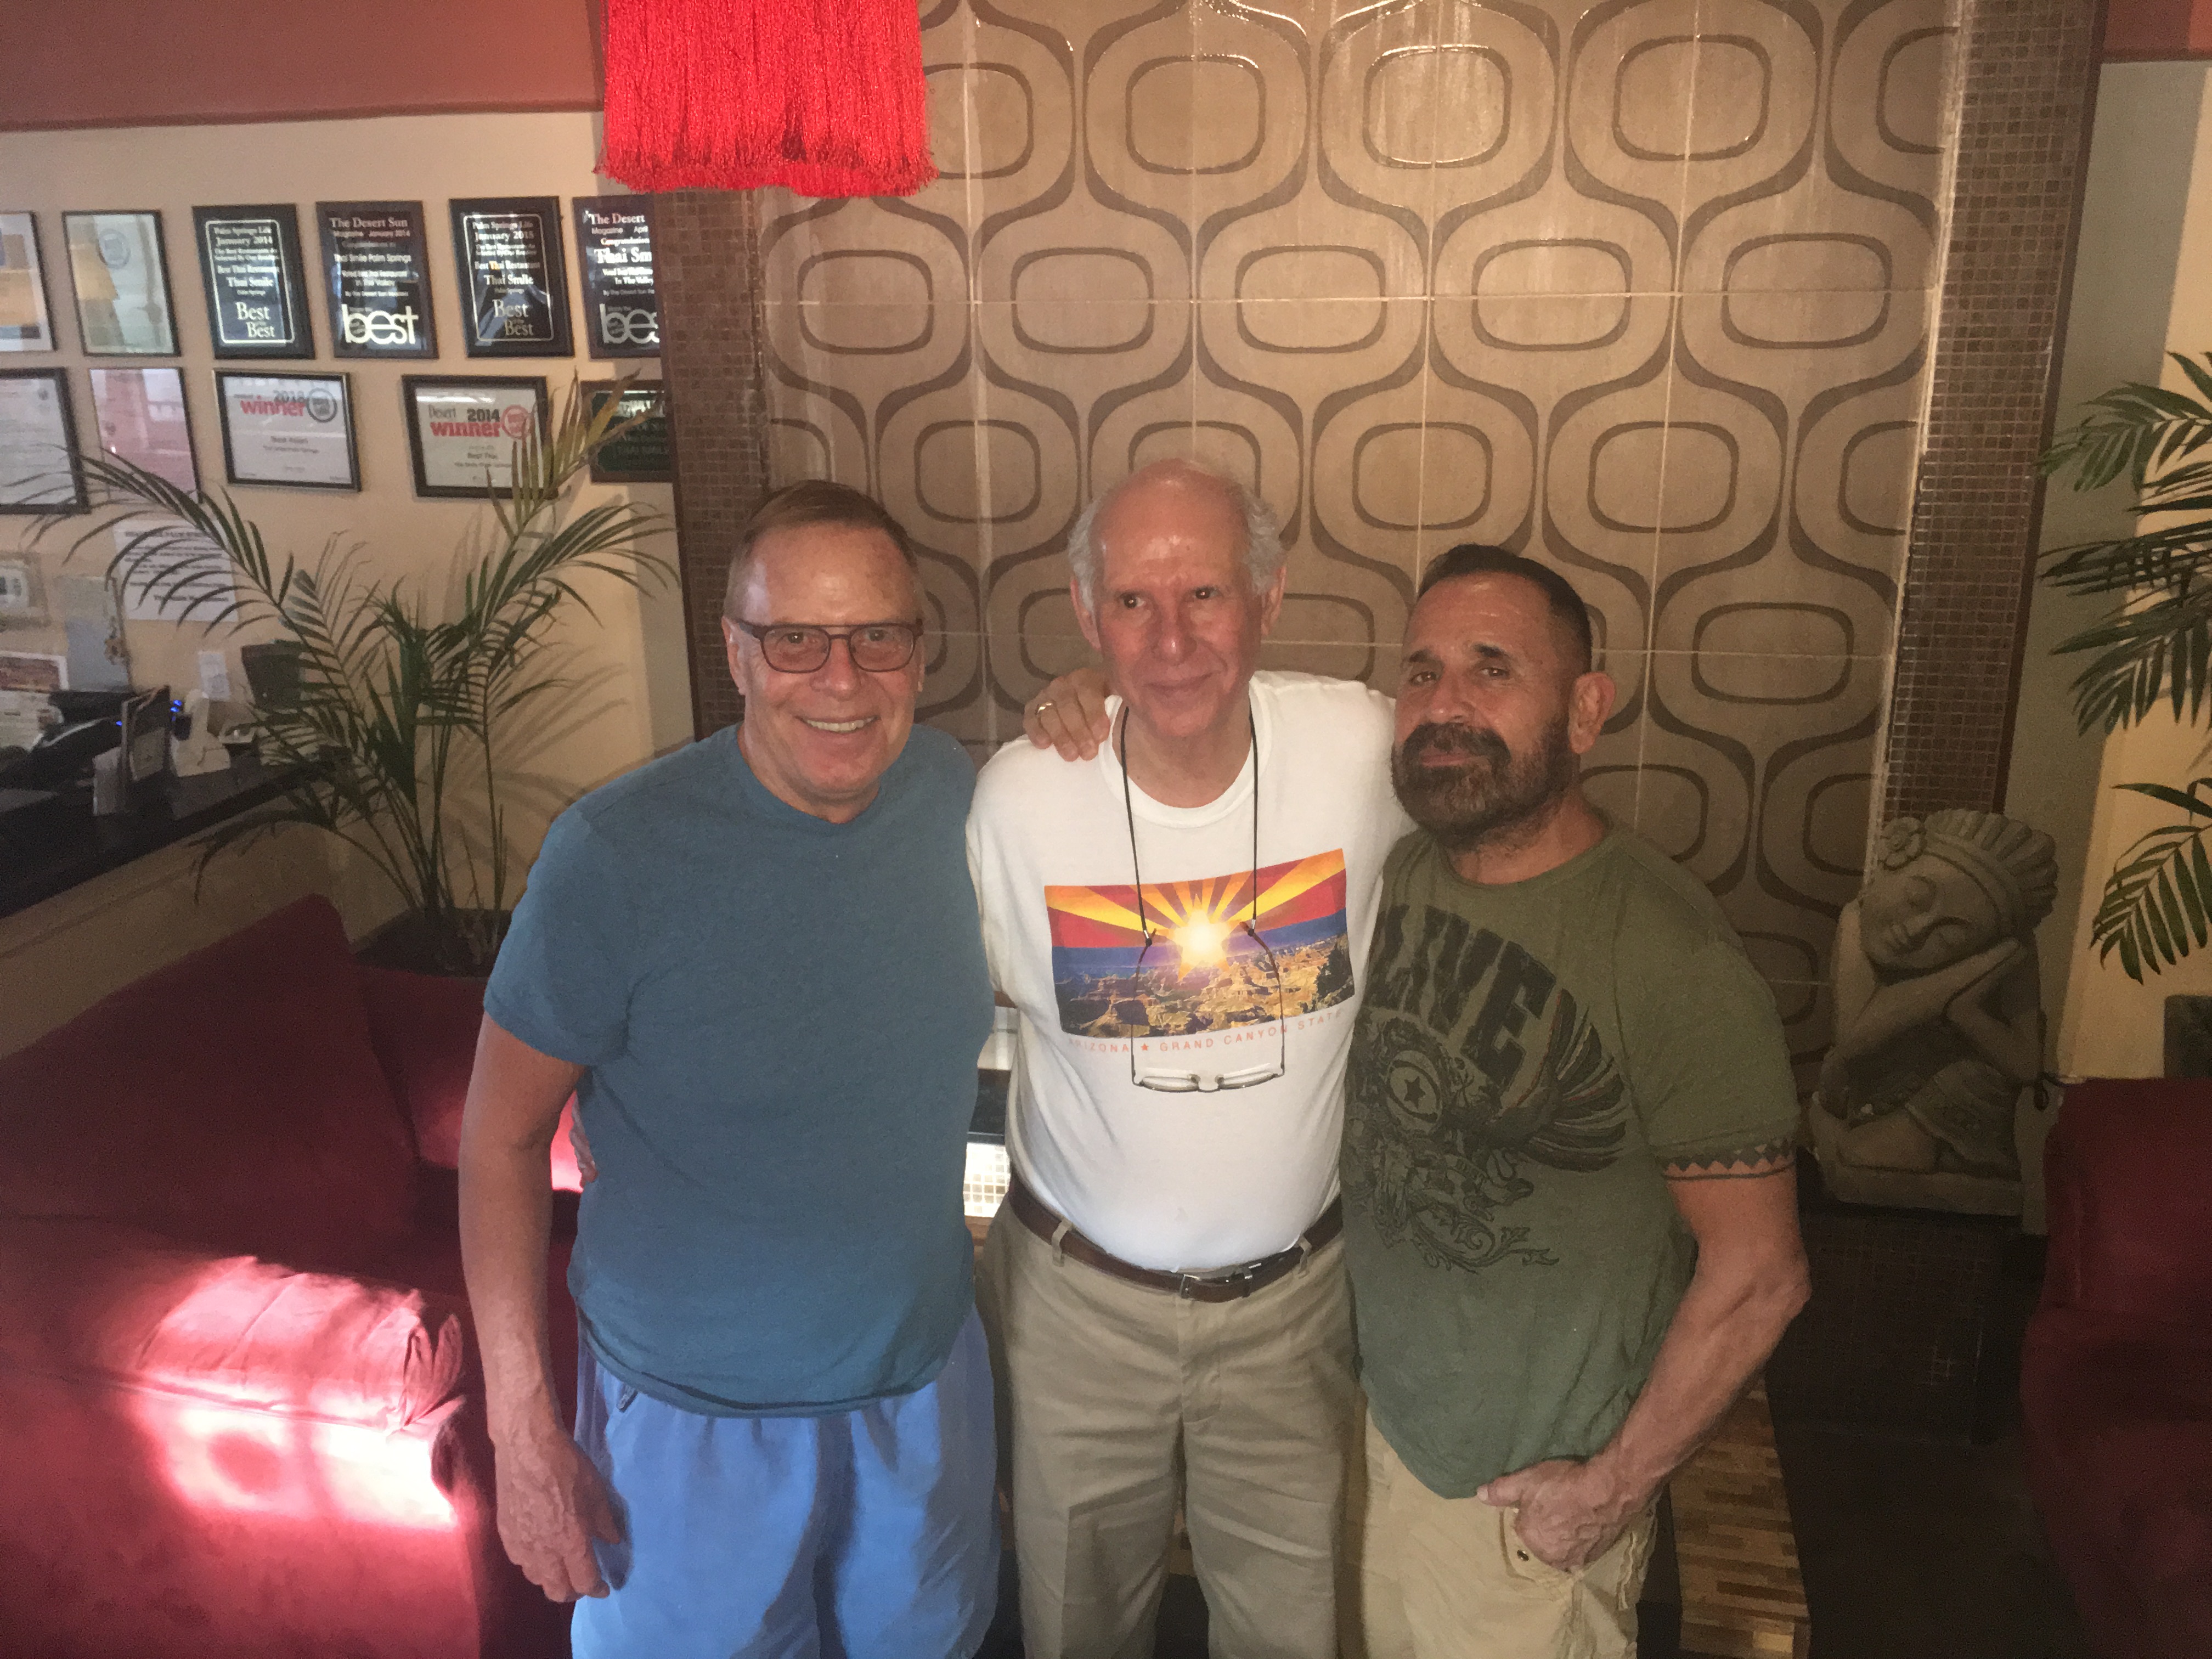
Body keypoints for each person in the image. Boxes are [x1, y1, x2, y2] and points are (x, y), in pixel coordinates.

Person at [458, 481, 1000, 1659]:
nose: (842, 679)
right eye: (795, 638)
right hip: (690, 1426)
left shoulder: (956, 797)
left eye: (878, 636)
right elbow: (500, 1139)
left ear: (921, 653)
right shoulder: (617, 854)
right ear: (736, 652)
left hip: (919, 1388)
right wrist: (522, 1430)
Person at [967, 459, 1411, 1659]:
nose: (1170, 641)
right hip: (1075, 1314)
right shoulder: (1019, 800)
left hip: (1291, 1314)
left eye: (1204, 594)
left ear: (1269, 597)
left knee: (1292, 1633)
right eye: (1132, 602)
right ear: (1085, 611)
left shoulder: (1362, 747)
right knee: (1072, 1627)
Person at [1338, 544, 1811, 1659]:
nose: (1445, 706)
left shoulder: (1668, 951)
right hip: (1381, 1443)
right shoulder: (1396, 876)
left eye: (1493, 669)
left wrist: (1612, 1488)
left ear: (1587, 711)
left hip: (1526, 1511)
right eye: (1422, 672)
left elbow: (1762, 1275)